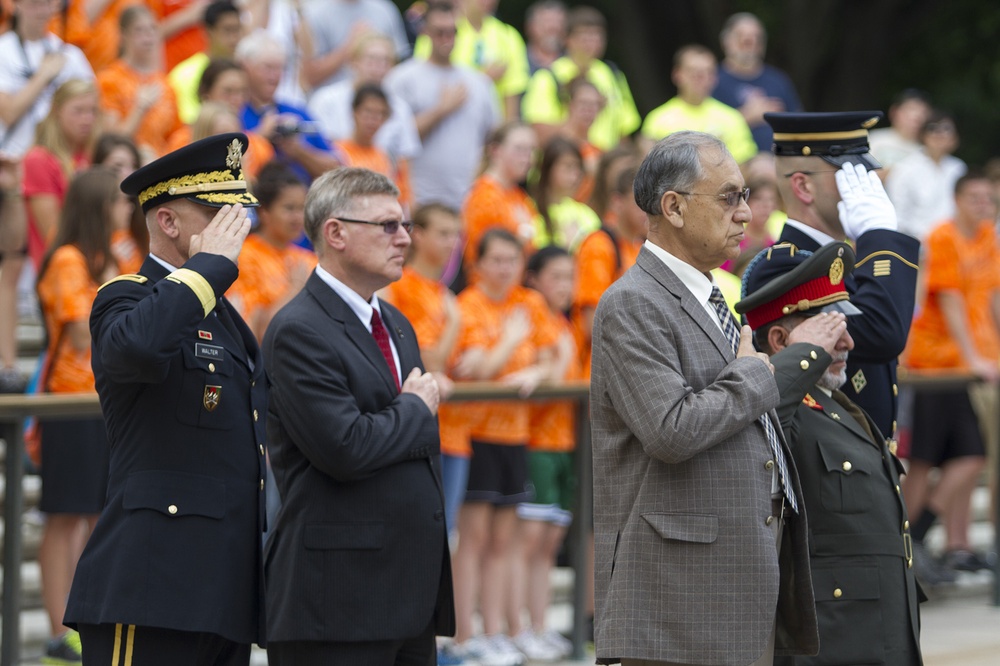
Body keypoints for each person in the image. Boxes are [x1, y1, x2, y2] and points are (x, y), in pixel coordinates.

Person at [591, 131, 817, 666]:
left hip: (728, 591)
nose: (746, 213)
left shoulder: (713, 293)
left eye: (745, 197)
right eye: (729, 197)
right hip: (677, 608)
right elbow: (671, 430)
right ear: (673, 207)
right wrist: (760, 376)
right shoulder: (632, 303)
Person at [64, 133, 267, 665]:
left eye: (237, 214)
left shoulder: (222, 314)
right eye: (219, 215)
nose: (235, 229)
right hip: (153, 581)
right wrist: (208, 270)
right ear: (170, 222)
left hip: (223, 586)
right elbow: (137, 348)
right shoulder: (127, 295)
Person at [262, 167, 454, 665]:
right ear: (336, 233)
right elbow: (345, 448)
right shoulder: (299, 329)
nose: (405, 238)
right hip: (338, 600)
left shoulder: (394, 321)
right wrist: (414, 408)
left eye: (406, 225)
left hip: (406, 594)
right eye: (388, 226)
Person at [736, 241, 923, 666]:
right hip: (832, 642)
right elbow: (754, 431)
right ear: (783, 339)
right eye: (831, 330)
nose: (849, 342)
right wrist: (802, 358)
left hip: (878, 632)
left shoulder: (833, 404)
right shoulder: (776, 404)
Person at [766, 110, 920, 444]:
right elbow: (882, 332)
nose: (868, 187)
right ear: (803, 186)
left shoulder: (843, 261)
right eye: (850, 174)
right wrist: (878, 235)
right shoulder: (784, 267)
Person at [447, 228, 558, 666]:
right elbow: (477, 370)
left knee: (502, 541)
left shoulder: (529, 303)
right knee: (472, 540)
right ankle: (463, 634)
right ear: (477, 264)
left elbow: (555, 354)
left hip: (516, 435)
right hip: (475, 435)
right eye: (497, 260)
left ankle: (494, 631)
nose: (506, 269)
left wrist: (537, 374)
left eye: (513, 260)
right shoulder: (468, 305)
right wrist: (510, 344)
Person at [34, 167, 130, 664]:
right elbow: (80, 336)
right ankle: (57, 628)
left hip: (103, 403)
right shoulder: (71, 259)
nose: (126, 209)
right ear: (96, 206)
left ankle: (86, 617)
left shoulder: (107, 259)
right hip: (68, 403)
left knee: (96, 514)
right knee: (64, 516)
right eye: (117, 201)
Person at [902, 171, 1000, 579]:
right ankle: (910, 540)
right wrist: (975, 356)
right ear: (958, 199)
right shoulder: (942, 236)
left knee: (970, 456)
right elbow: (950, 300)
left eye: (989, 198)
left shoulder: (988, 238)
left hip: (969, 366)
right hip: (935, 365)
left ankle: (936, 540)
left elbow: (992, 298)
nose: (984, 205)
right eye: (975, 197)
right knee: (927, 460)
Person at [379, 203, 465, 539]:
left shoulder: (446, 295)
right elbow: (419, 357)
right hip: (413, 426)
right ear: (419, 234)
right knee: (413, 532)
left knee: (447, 533)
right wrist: (454, 325)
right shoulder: (398, 287)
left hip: (454, 429)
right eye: (444, 233)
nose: (451, 242)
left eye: (455, 234)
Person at [509, 245, 578, 663]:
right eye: (557, 277)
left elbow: (563, 366)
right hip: (535, 439)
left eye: (571, 278)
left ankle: (537, 626)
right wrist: (550, 366)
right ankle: (517, 627)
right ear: (534, 278)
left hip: (564, 440)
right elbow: (542, 367)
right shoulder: (531, 308)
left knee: (549, 545)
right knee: (527, 542)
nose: (565, 287)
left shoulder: (562, 321)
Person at [383, 1, 498, 210]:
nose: (447, 39)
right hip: (416, 201)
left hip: (467, 201)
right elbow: (390, 139)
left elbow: (494, 143)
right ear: (425, 32)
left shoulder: (479, 84)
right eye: (440, 32)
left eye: (453, 32)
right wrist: (441, 110)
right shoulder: (402, 79)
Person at [521, 6, 638, 152]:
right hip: (566, 162)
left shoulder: (612, 75)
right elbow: (538, 132)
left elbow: (624, 131)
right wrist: (577, 119)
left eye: (597, 36)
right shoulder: (548, 77)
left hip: (603, 165)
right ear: (567, 39)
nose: (591, 43)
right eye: (585, 36)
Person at [237, 29, 343, 183]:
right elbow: (226, 165)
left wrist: (299, 151)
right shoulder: (235, 113)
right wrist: (260, 137)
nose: (275, 75)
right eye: (268, 67)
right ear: (245, 68)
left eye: (280, 68)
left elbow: (337, 168)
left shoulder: (296, 112)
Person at [226, 159, 315, 341]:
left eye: (302, 208)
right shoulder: (244, 256)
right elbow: (256, 331)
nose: (298, 217)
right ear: (264, 212)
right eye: (289, 208)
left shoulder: (308, 259)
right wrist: (296, 288)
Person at [572, 162, 645, 377]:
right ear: (617, 202)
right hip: (599, 377)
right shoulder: (599, 245)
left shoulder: (640, 248)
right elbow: (591, 323)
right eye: (640, 202)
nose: (648, 210)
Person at [306, 32, 421, 164]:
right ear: (354, 61)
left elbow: (405, 160)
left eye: (386, 61)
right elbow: (316, 149)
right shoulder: (326, 99)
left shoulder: (399, 107)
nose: (378, 67)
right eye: (371, 60)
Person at [0, 0, 94, 158]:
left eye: (47, 4)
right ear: (16, 5)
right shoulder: (4, 50)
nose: (42, 11)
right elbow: (9, 113)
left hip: (59, 158)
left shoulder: (69, 54)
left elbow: (93, 107)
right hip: (14, 158)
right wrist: (43, 75)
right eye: (34, 4)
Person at [22, 78, 98, 272]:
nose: (87, 118)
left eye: (92, 111)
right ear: (57, 111)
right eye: (78, 111)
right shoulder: (38, 159)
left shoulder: (91, 153)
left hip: (93, 262)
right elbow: (52, 233)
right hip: (61, 270)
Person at [412, 0, 530, 121]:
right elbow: (425, 80)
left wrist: (505, 134)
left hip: (491, 126)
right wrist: (484, 79)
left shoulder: (509, 36)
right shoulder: (440, 31)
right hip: (443, 121)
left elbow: (511, 96)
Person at [97, 5, 187, 162]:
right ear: (123, 36)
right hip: (127, 167)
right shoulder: (109, 80)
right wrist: (139, 108)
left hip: (160, 165)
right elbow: (110, 142)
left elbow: (176, 135)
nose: (148, 37)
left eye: (153, 29)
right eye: (139, 31)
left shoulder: (165, 83)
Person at [641, 44, 756, 165]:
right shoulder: (657, 120)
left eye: (708, 72)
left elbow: (744, 165)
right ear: (677, 75)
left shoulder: (732, 117)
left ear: (715, 78)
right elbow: (651, 171)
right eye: (693, 72)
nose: (701, 78)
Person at [712, 12, 802, 154]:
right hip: (733, 165)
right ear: (725, 41)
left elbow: (800, 124)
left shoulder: (778, 80)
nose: (750, 42)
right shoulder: (712, 81)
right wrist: (745, 117)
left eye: (756, 37)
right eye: (741, 37)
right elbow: (704, 132)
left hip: (782, 159)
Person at [461, 122, 540, 269]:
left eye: (531, 150)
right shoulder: (484, 197)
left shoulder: (519, 195)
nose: (528, 158)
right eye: (520, 149)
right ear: (496, 150)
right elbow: (478, 257)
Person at [886, 111, 967, 241]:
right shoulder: (905, 168)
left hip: (954, 245)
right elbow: (898, 214)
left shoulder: (958, 168)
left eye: (946, 129)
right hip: (918, 245)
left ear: (955, 138)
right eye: (933, 128)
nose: (939, 134)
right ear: (923, 135)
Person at [301, 0, 411, 92]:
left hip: (379, 103)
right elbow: (308, 78)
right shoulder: (315, 13)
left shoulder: (385, 9)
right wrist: (349, 47)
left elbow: (399, 62)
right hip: (334, 107)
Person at [335, 83, 413, 211]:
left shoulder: (388, 158)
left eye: (380, 114)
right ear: (354, 112)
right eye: (368, 112)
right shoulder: (337, 152)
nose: (373, 120)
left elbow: (402, 199)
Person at [168, 0, 246, 124]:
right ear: (208, 32)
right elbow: (188, 124)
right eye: (227, 30)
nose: (234, 38)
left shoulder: (246, 69)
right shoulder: (185, 74)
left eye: (237, 30)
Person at [531, 136, 600, 250]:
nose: (575, 175)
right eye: (568, 167)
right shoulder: (530, 209)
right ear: (548, 169)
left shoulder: (586, 214)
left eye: (578, 168)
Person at [868, 89, 932, 175]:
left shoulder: (927, 151)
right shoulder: (875, 139)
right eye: (911, 109)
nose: (917, 116)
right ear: (894, 111)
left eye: (923, 112)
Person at [523, 0, 566, 75]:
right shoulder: (518, 60)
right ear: (530, 27)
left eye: (559, 23)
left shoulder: (575, 63)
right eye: (546, 22)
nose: (553, 28)